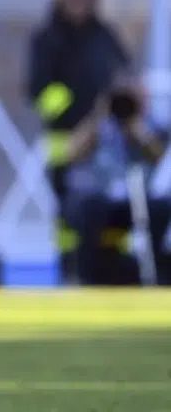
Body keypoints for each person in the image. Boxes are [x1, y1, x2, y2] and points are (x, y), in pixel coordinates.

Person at [26, 0, 131, 283]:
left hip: (108, 143)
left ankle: (113, 273)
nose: (79, 2)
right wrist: (80, 107)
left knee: (114, 213)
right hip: (65, 142)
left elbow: (123, 74)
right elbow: (40, 93)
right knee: (69, 219)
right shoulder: (48, 39)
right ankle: (70, 272)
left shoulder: (105, 36)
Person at [63, 73, 171, 285]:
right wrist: (98, 115)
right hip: (101, 199)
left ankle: (157, 275)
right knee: (88, 208)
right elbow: (71, 153)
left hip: (137, 199)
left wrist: (136, 127)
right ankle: (86, 276)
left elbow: (159, 158)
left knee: (161, 208)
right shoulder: (99, 126)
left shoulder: (150, 125)